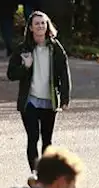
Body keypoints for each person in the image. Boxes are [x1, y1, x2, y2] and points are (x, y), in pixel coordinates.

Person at [7, 11, 70, 173]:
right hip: (30, 101)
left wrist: (65, 96)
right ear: (31, 28)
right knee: (33, 138)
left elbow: (64, 72)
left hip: (49, 100)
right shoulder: (23, 49)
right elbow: (11, 74)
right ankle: (34, 174)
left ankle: (45, 173)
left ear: (47, 26)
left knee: (47, 140)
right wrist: (25, 67)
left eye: (43, 23)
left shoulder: (55, 48)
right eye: (37, 24)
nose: (41, 26)